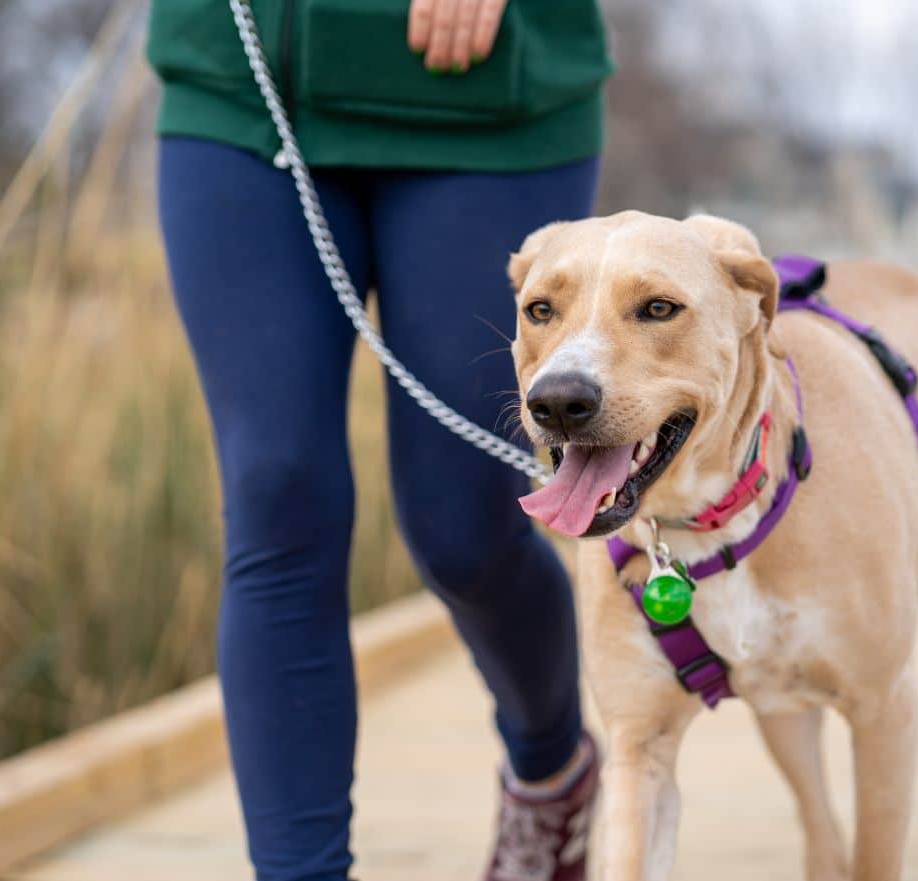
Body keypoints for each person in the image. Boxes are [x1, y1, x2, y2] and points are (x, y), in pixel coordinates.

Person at [146, 1, 612, 878]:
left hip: (487, 102)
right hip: (242, 98)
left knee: (463, 528)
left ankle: (553, 770)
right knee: (277, 493)